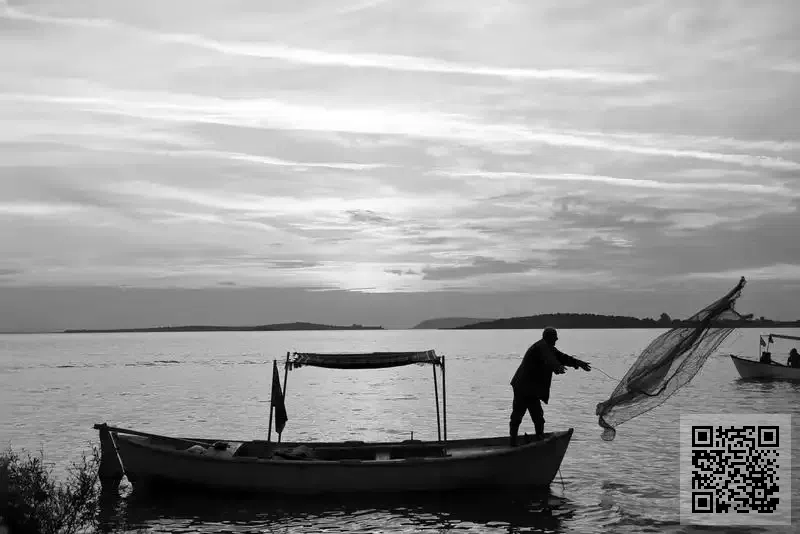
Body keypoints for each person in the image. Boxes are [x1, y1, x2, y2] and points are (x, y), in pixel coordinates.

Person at [509, 327, 591, 446]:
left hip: (532, 389)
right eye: (554, 337)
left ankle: (539, 438)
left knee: (538, 417)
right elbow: (550, 359)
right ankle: (513, 442)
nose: (557, 339)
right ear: (548, 337)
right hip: (522, 387)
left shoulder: (549, 348)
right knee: (518, 415)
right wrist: (557, 367)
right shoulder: (541, 347)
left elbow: (562, 357)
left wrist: (579, 363)